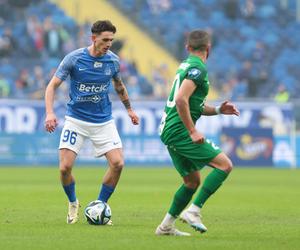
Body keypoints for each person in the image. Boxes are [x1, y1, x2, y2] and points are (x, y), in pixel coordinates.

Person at [44, 20, 139, 224]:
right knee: (64, 168)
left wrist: (129, 109)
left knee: (118, 163)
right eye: (105, 40)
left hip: (103, 121)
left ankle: (100, 205)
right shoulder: (74, 58)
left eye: (111, 40)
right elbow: (51, 86)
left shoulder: (113, 61)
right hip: (76, 120)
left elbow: (119, 86)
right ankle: (73, 202)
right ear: (93, 38)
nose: (108, 44)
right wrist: (50, 113)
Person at [156, 30, 240, 236]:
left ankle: (165, 227)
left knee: (192, 181)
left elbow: (195, 105)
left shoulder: (186, 65)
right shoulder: (198, 68)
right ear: (208, 49)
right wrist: (192, 131)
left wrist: (219, 110)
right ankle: (194, 211)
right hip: (179, 131)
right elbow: (180, 99)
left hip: (170, 130)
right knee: (225, 165)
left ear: (187, 47)